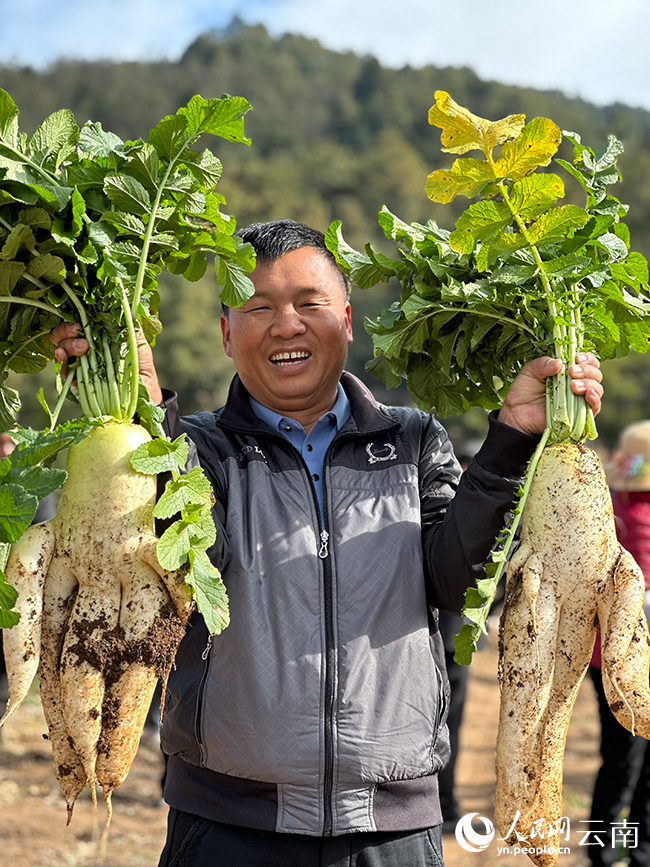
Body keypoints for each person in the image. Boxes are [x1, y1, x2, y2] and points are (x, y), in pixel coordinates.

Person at [51, 220, 603, 867]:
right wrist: (149, 428)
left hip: (393, 830)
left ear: (345, 318)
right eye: (259, 308)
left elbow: (459, 583)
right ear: (229, 334)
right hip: (227, 824)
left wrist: (514, 436)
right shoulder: (200, 448)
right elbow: (192, 571)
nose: (287, 324)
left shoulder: (412, 441)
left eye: (309, 303)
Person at [587, 421, 650, 867]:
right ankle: (606, 848)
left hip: (611, 649)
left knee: (626, 756)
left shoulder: (609, 503)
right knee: (624, 754)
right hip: (617, 653)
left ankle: (629, 848)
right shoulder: (613, 509)